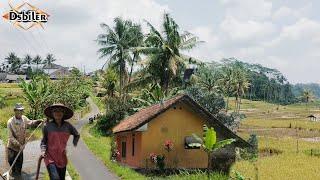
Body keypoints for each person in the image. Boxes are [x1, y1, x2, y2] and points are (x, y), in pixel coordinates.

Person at [41, 104, 80, 180]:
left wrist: (74, 143)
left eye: (60, 111)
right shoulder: (47, 126)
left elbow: (77, 134)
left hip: (62, 157)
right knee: (55, 178)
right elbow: (44, 141)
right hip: (50, 157)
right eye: (55, 111)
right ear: (52, 113)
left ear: (63, 113)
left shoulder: (68, 126)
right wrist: (43, 150)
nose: (57, 113)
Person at [7, 103, 43, 179]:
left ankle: (19, 176)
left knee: (19, 165)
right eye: (18, 110)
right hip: (12, 147)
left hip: (21, 147)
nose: (20, 112)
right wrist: (19, 145)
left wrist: (37, 121)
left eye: (21, 110)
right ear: (15, 111)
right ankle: (14, 175)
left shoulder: (24, 118)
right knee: (12, 164)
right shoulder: (10, 122)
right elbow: (10, 137)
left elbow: (30, 122)